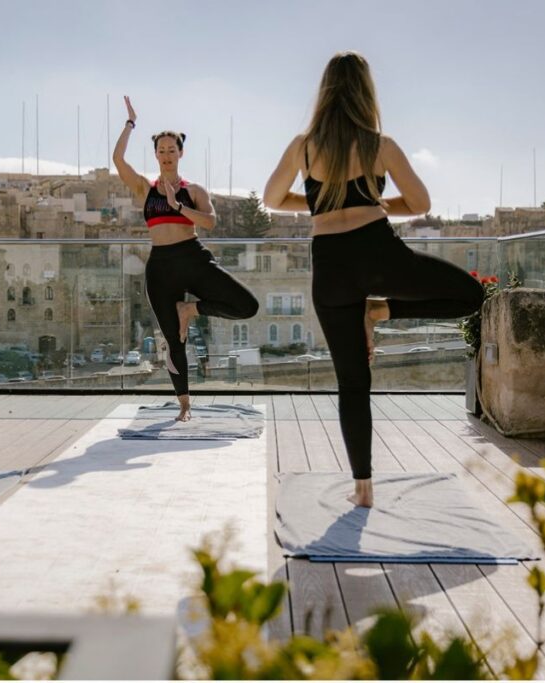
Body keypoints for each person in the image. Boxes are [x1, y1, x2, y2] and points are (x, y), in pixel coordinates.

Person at [263, 51, 483, 507]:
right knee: (470, 296)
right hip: (379, 254)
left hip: (330, 267)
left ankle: (362, 488)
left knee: (352, 382)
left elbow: (272, 199)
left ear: (325, 92)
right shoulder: (380, 145)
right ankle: (383, 310)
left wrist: (323, 201)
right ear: (366, 92)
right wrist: (374, 203)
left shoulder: (304, 146)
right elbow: (419, 203)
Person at [113, 96, 258, 421]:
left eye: (171, 150)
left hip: (193, 259)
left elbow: (210, 222)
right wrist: (130, 123)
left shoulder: (194, 191)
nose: (166, 155)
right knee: (173, 339)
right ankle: (184, 404)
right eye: (161, 150)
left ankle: (190, 309)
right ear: (156, 154)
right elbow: (118, 159)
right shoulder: (145, 189)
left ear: (181, 153)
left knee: (247, 305)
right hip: (161, 267)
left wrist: (177, 206)